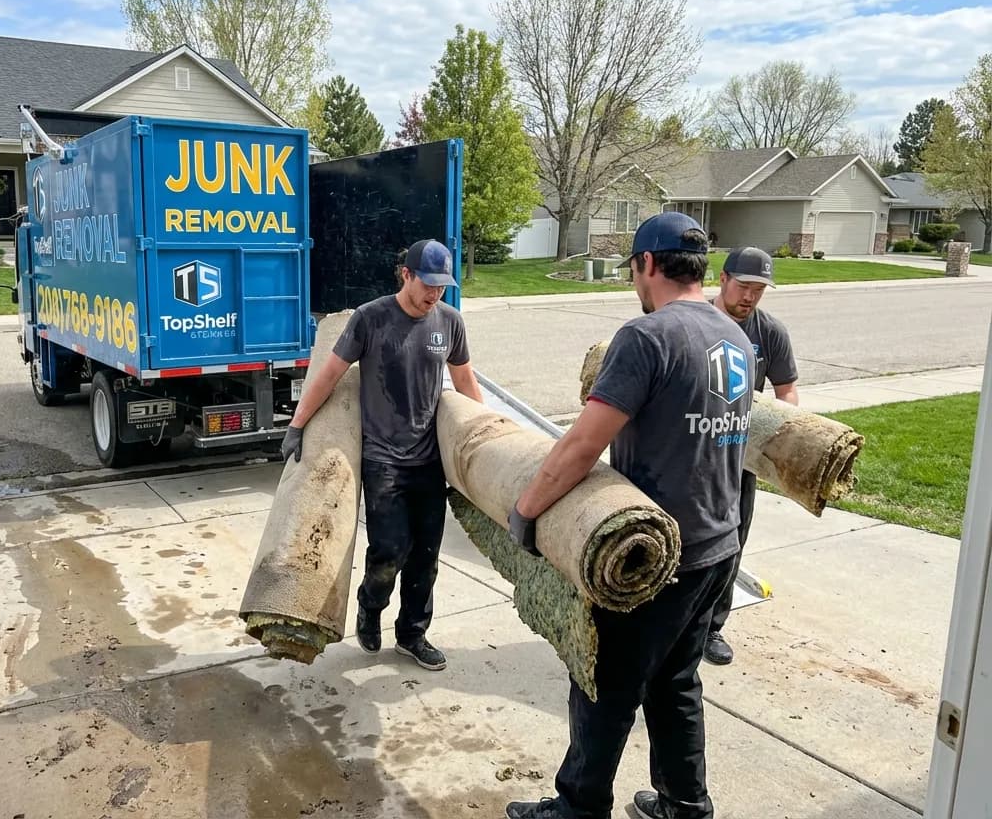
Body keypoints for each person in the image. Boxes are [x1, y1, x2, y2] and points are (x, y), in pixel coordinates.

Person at [503, 212, 754, 819]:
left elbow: (582, 445)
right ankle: (684, 803)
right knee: (676, 682)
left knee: (603, 686)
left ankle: (578, 806)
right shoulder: (734, 337)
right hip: (718, 546)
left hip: (650, 555)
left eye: (633, 272)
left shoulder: (648, 338)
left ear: (647, 264)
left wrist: (527, 510)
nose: (633, 286)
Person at [281, 238, 482, 672]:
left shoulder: (449, 322)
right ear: (405, 275)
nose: (434, 295)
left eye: (442, 287)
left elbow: (465, 384)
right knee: (389, 550)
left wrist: (482, 440)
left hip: (429, 461)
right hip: (384, 460)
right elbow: (329, 375)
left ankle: (412, 634)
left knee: (426, 557)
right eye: (427, 284)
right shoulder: (371, 319)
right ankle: (370, 606)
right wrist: (297, 425)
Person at [704, 246, 799, 666]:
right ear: (722, 279)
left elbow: (786, 391)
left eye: (759, 290)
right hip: (691, 451)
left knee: (731, 544)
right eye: (744, 287)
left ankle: (712, 629)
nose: (750, 297)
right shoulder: (695, 322)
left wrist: (783, 433)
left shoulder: (769, 333)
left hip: (739, 457)